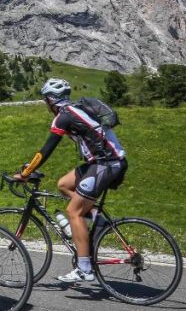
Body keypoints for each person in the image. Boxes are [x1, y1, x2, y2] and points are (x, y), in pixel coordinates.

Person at [13, 78, 127, 284]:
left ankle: (84, 269)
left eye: (45, 101)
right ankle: (94, 216)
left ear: (50, 100)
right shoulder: (74, 110)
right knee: (64, 184)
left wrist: (26, 173)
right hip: (106, 162)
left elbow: (47, 149)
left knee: (73, 212)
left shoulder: (63, 117)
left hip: (106, 164)